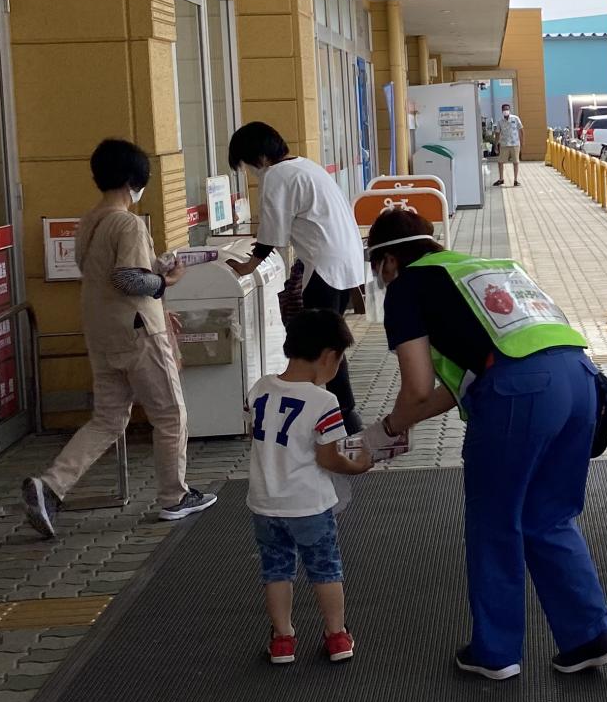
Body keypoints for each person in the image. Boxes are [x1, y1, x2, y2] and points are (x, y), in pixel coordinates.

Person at [361, 207, 607, 679]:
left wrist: (387, 429)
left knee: (494, 521)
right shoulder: (483, 270)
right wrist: (400, 424)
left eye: (377, 270)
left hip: (520, 391)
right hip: (581, 380)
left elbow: (417, 388)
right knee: (549, 516)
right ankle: (590, 637)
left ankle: (496, 652)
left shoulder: (406, 288)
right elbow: (458, 386)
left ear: (388, 261)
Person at [22, 139, 215, 536]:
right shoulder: (128, 223)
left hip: (102, 332)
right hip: (138, 333)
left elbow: (103, 276)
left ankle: (51, 486)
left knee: (108, 419)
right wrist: (165, 281)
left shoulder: (89, 222)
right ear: (133, 180)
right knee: (170, 415)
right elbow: (127, 278)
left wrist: (154, 273)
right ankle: (174, 497)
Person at [246, 309, 373, 665]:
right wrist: (358, 466)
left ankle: (283, 639)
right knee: (325, 569)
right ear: (329, 357)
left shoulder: (259, 389)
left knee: (276, 570)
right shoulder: (324, 402)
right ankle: (336, 635)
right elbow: (328, 458)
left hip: (265, 503)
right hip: (309, 505)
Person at [225, 122, 368, 433]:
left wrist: (249, 265)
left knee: (321, 344)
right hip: (345, 262)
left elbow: (272, 232)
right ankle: (342, 415)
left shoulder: (277, 175)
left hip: (325, 267)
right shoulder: (305, 166)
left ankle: (343, 417)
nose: (249, 171)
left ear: (259, 157)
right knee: (329, 341)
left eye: (246, 163)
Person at [496, 102, 524, 186]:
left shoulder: (515, 118)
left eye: (507, 109)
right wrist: (496, 145)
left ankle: (515, 180)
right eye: (504, 109)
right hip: (504, 144)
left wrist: (522, 142)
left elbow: (521, 130)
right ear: (502, 111)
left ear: (509, 110)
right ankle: (501, 179)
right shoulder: (500, 121)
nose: (506, 111)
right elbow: (497, 133)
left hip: (515, 144)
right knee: (500, 162)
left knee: (516, 162)